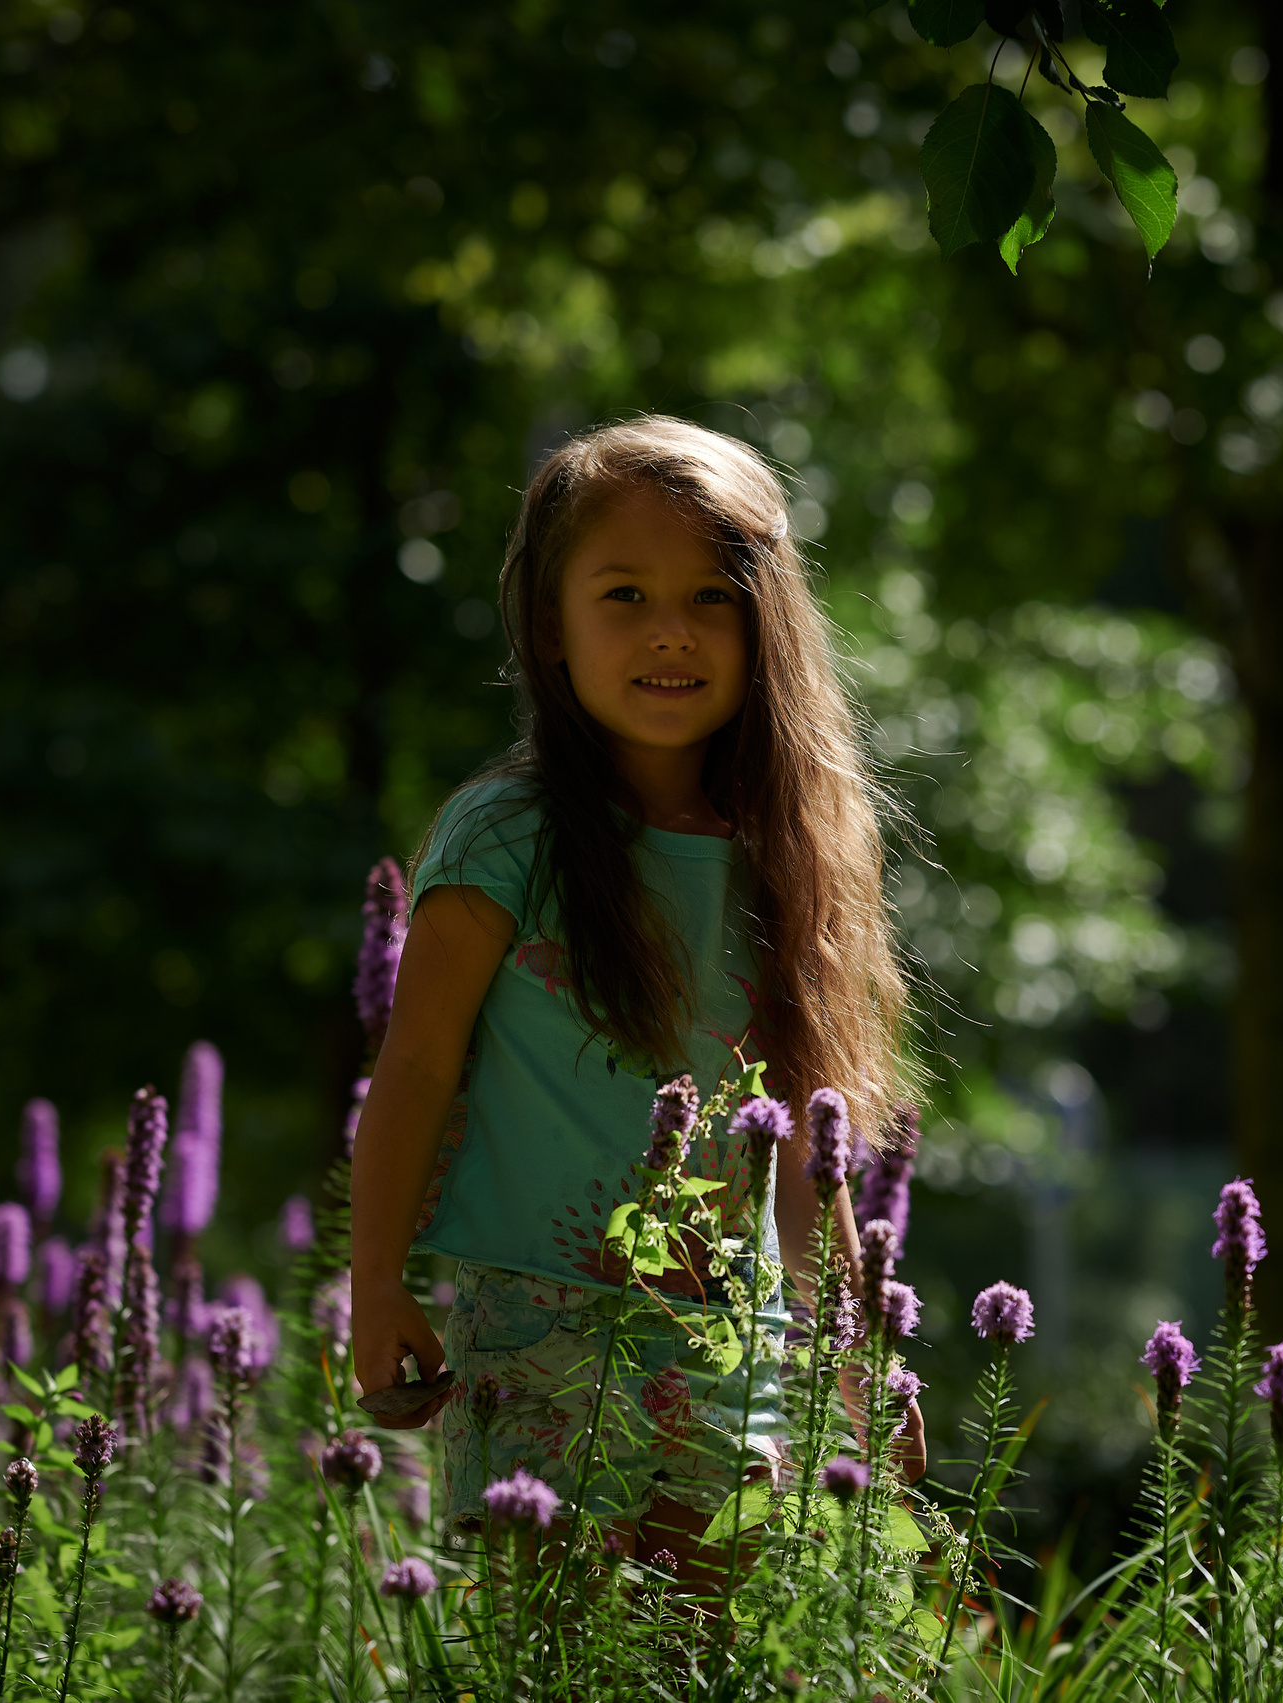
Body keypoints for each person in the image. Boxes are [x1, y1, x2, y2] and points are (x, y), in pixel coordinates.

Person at [347, 415, 925, 1575]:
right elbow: (411, 1067)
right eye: (623, 594)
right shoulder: (506, 834)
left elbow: (810, 1150)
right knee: (566, 1653)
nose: (671, 632)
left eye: (711, 596)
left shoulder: (790, 849)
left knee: (714, 1653)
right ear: (550, 628)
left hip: (738, 1346)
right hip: (541, 1335)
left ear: (767, 624)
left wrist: (857, 1359)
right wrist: (375, 1287)